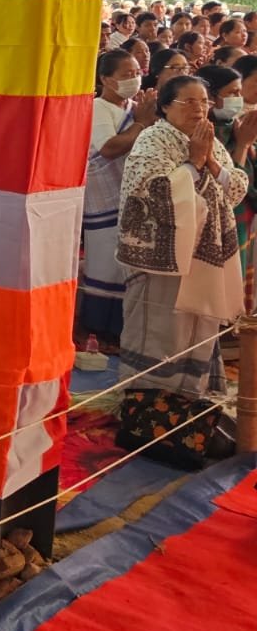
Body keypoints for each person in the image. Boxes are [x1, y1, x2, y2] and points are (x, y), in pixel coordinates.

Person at [114, 74, 247, 466]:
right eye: (188, 102)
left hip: (201, 262)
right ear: (166, 107)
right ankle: (145, 419)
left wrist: (207, 162)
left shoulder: (209, 141)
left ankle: (186, 412)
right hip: (159, 265)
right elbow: (151, 193)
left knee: (196, 330)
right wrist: (192, 163)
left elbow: (235, 187)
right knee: (160, 335)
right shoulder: (151, 141)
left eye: (203, 100)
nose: (198, 108)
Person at [79, 50, 153, 350]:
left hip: (134, 203)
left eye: (136, 72)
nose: (134, 78)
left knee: (129, 269)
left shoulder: (136, 109)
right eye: (125, 74)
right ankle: (101, 332)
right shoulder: (98, 108)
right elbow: (108, 149)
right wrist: (140, 124)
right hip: (105, 205)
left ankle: (126, 332)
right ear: (105, 79)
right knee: (105, 267)